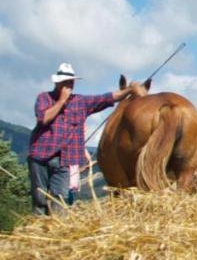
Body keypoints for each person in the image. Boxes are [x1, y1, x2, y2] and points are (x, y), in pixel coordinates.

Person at [28, 63, 136, 216]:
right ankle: (38, 227)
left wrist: (129, 90)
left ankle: (58, 230)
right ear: (57, 83)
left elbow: (107, 98)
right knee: (40, 197)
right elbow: (44, 118)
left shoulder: (81, 102)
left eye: (71, 82)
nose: (69, 85)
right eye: (66, 82)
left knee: (61, 198)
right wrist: (61, 102)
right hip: (40, 156)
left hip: (65, 159)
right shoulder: (44, 98)